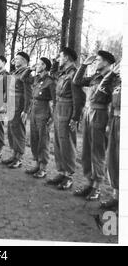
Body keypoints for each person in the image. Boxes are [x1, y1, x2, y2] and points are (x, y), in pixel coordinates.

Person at [73, 50, 116, 201]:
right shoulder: (95, 77)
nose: (95, 62)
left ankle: (97, 187)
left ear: (106, 62)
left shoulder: (113, 79)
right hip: (88, 113)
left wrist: (109, 124)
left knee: (98, 152)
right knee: (86, 150)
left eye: (97, 60)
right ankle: (89, 183)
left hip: (100, 115)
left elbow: (114, 103)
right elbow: (76, 82)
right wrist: (84, 65)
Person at [46, 47, 85, 190]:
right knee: (57, 142)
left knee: (67, 143)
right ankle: (61, 172)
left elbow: (79, 98)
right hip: (59, 109)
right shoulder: (63, 73)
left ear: (67, 58)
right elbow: (52, 76)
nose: (58, 59)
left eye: (60, 56)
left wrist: (75, 118)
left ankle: (69, 176)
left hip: (67, 109)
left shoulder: (74, 74)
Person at [26, 57, 56, 178]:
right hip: (34, 110)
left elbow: (55, 100)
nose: (36, 66)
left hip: (44, 112)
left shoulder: (50, 81)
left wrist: (52, 118)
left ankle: (43, 168)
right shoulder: (36, 79)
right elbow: (24, 78)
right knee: (34, 139)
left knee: (43, 140)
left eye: (38, 64)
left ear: (44, 66)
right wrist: (30, 69)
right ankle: (37, 164)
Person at [2, 52, 32, 168]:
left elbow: (28, 94)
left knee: (18, 130)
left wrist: (26, 110)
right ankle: (13, 155)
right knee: (11, 129)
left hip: (18, 106)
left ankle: (19, 158)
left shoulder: (27, 74)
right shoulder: (15, 72)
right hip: (11, 104)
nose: (15, 60)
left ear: (24, 61)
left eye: (18, 59)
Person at [99, 63, 120, 210]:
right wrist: (112, 74)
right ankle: (116, 197)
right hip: (115, 122)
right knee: (113, 159)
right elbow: (102, 89)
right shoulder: (117, 82)